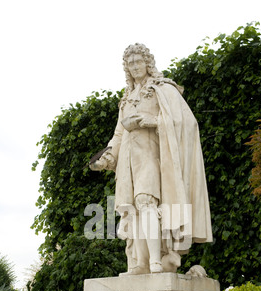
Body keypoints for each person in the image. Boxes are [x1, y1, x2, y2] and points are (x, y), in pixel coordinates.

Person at [90, 43, 212, 275]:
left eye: (138, 61)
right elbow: (118, 134)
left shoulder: (163, 89)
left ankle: (156, 261)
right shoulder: (126, 98)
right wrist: (107, 157)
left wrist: (152, 121)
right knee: (132, 210)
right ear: (126, 67)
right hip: (127, 162)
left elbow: (186, 122)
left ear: (148, 63)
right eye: (130, 63)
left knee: (147, 203)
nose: (135, 66)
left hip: (152, 157)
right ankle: (139, 263)